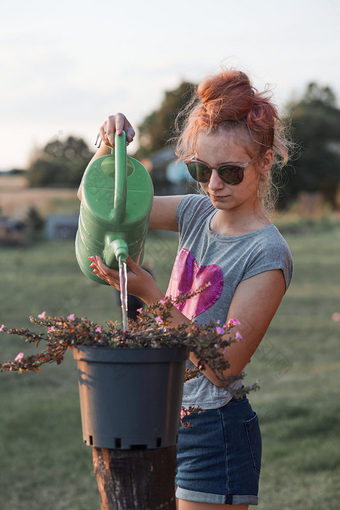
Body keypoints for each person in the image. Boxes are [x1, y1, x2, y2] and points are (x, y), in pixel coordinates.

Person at [79, 68, 293, 509]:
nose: (213, 185)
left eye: (230, 172)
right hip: (162, 416)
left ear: (265, 162)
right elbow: (105, 206)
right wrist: (110, 147)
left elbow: (223, 367)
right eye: (201, 169)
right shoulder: (196, 212)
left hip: (215, 433)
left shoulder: (267, 253)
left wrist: (153, 299)